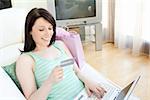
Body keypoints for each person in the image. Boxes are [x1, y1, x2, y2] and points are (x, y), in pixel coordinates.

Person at [16, 8, 106, 100]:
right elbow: (31, 98)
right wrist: (49, 82)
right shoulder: (25, 60)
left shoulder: (59, 45)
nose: (48, 34)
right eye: (41, 29)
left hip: (86, 95)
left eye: (50, 28)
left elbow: (76, 70)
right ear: (29, 31)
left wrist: (88, 82)